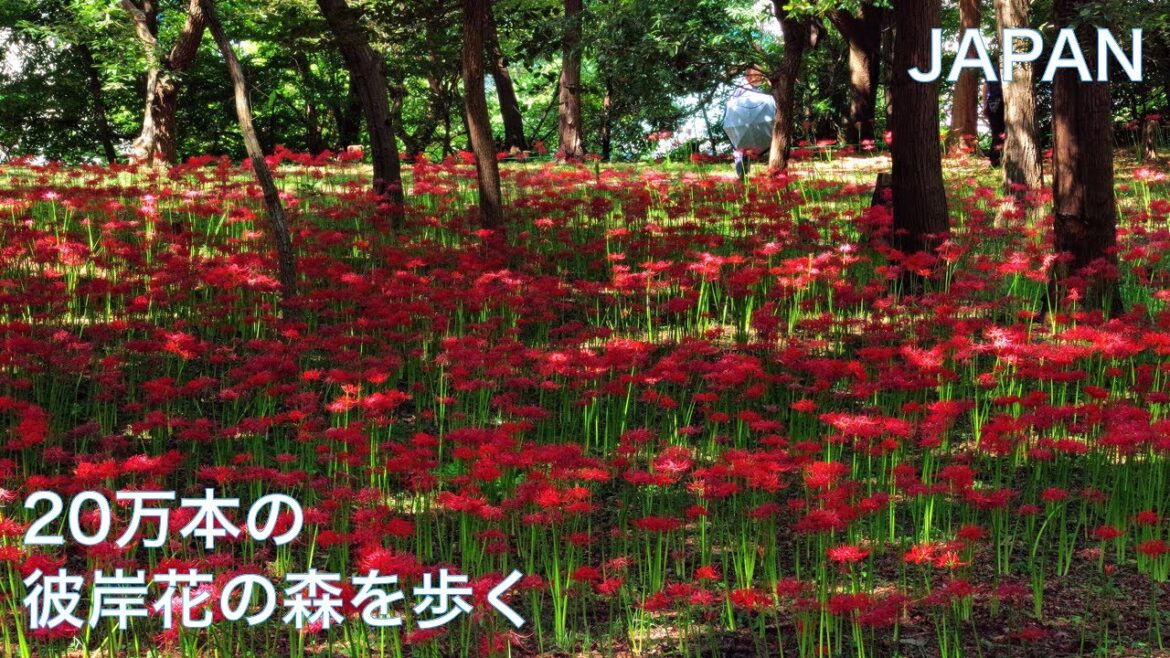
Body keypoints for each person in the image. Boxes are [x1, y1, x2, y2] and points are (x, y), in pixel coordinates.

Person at [984, 80, 1005, 167]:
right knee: (998, 133)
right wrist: (985, 105)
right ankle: (995, 161)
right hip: (996, 101)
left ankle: (996, 160)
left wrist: (985, 104)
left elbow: (985, 86)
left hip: (995, 101)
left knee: (998, 132)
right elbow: (985, 85)